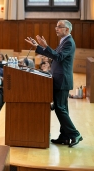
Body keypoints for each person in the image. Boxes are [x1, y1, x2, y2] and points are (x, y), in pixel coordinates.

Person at [25, 19, 82, 147]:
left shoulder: (68, 42)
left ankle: (74, 134)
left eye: (59, 27)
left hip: (62, 80)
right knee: (62, 109)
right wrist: (37, 47)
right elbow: (55, 54)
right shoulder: (64, 41)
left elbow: (58, 57)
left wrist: (45, 46)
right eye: (56, 26)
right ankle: (65, 136)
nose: (56, 28)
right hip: (58, 79)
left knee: (60, 108)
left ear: (67, 29)